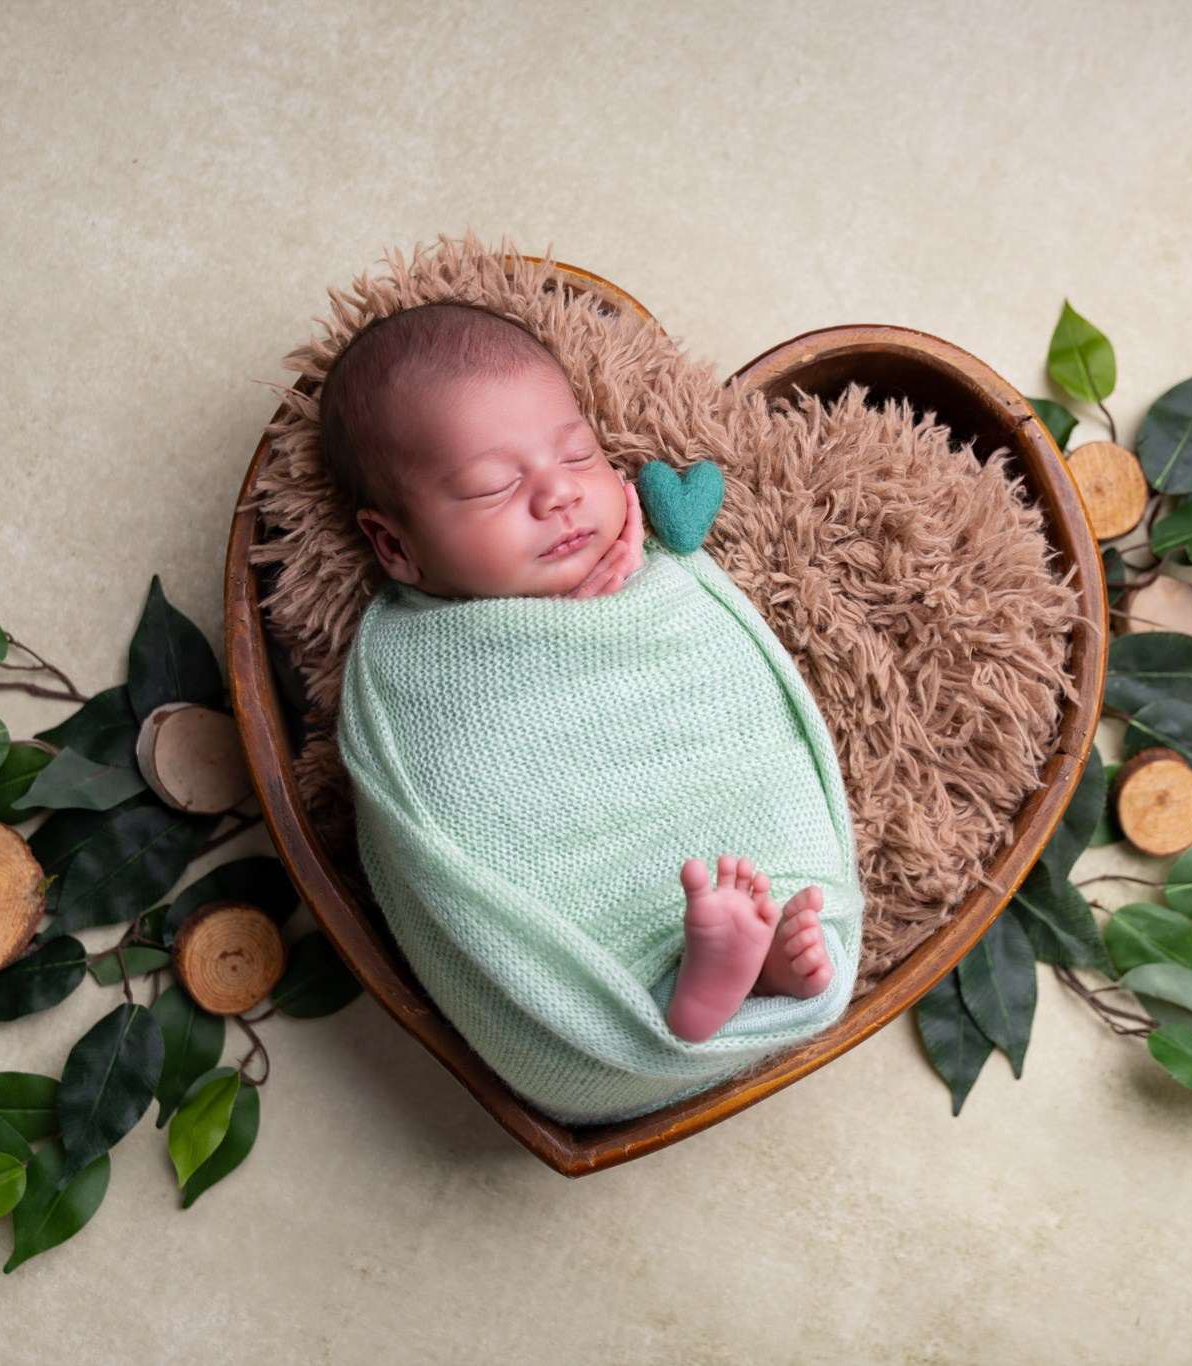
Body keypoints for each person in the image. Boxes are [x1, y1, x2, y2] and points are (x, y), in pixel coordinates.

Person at [325, 301, 863, 1122]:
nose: (560, 496)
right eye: (494, 485)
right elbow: (444, 790)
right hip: (578, 960)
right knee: (592, 914)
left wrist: (641, 572)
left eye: (577, 455)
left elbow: (717, 704)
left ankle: (743, 973)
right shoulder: (410, 665)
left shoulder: (641, 568)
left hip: (701, 817)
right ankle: (679, 995)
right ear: (395, 545)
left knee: (768, 878)